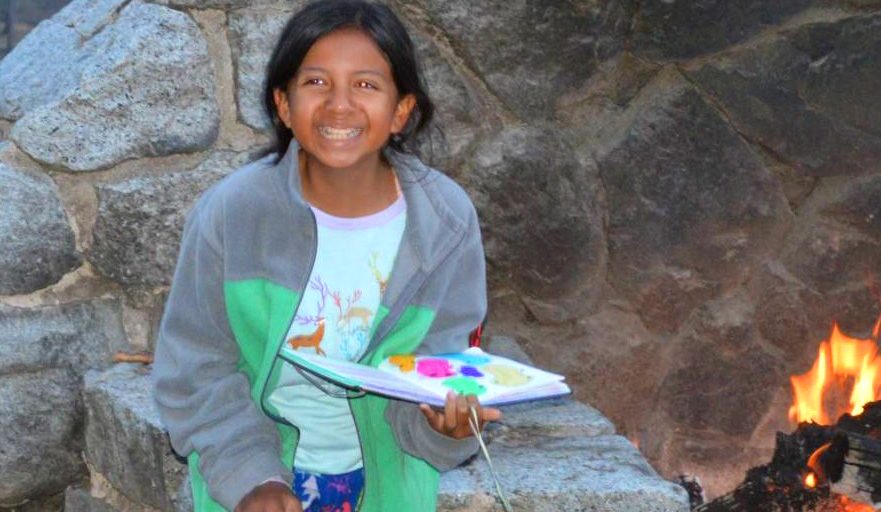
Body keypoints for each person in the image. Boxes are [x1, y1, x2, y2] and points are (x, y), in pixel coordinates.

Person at [151, 1, 500, 511]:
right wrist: (253, 480)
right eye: (316, 83)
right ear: (283, 105)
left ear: (402, 110)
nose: (340, 105)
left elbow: (441, 368)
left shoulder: (444, 223)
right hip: (254, 485)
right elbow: (195, 371)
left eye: (366, 85)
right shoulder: (234, 214)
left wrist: (447, 428)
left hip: (390, 487)